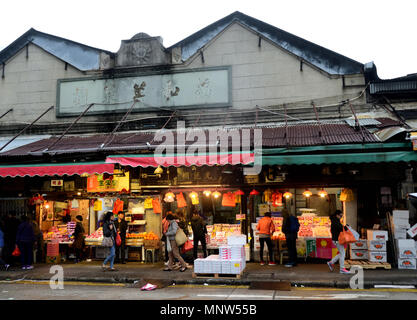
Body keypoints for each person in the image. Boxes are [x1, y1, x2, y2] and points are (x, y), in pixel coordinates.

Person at [327, 210, 350, 274]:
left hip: (336, 239)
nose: (341, 217)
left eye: (342, 216)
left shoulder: (334, 220)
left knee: (341, 253)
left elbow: (340, 228)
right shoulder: (335, 221)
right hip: (337, 240)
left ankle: (331, 262)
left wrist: (345, 227)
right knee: (342, 254)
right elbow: (340, 228)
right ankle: (342, 269)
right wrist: (346, 227)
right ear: (337, 215)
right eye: (340, 216)